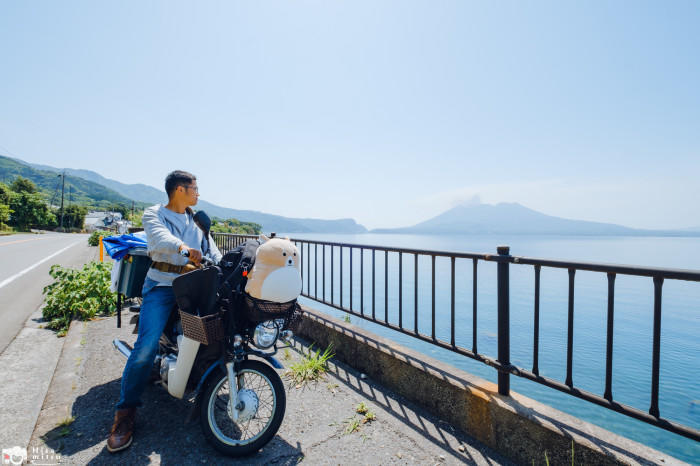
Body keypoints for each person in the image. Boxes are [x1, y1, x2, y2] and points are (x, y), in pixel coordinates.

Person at [107, 170, 222, 453]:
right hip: (161, 286)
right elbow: (158, 239)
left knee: (204, 336)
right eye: (195, 188)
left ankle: (198, 384)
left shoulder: (197, 220)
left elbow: (213, 250)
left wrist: (228, 265)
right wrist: (183, 248)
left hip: (191, 287)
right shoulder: (154, 213)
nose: (198, 192)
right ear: (180, 189)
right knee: (145, 347)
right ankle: (125, 414)